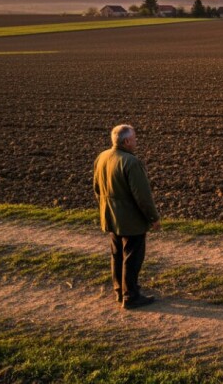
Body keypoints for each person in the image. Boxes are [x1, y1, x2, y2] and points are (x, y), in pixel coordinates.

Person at [93, 124, 160, 309]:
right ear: (127, 141)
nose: (136, 141)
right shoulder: (131, 162)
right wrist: (153, 218)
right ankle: (131, 296)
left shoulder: (102, 157)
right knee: (132, 257)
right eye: (135, 138)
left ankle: (119, 291)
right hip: (130, 220)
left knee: (117, 255)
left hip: (110, 216)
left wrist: (107, 208)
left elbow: (97, 188)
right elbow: (142, 196)